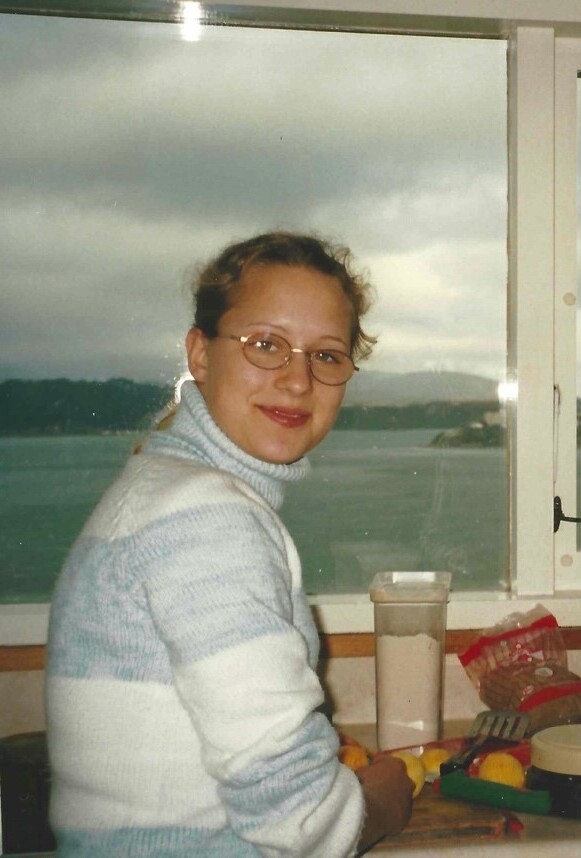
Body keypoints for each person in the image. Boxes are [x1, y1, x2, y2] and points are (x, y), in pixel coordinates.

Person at [45, 232, 414, 855]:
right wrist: (380, 803)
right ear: (201, 354)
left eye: (326, 355)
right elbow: (295, 816)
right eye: (266, 345)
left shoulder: (167, 490)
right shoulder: (204, 517)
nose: (297, 380)